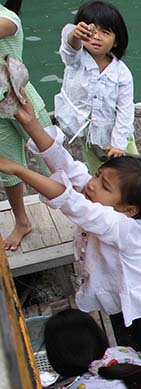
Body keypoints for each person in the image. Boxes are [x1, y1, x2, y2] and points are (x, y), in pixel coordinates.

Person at [0, 91, 141, 387]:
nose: (92, 185)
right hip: (131, 309)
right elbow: (65, 165)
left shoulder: (122, 226)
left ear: (129, 209)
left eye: (103, 185)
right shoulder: (104, 201)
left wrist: (19, 169)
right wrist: (31, 123)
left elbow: (72, 202)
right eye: (98, 176)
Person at [55, 1, 141, 229]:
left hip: (116, 137)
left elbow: (125, 111)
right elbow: (69, 45)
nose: (96, 37)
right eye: (91, 31)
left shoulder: (122, 73)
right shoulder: (76, 59)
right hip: (88, 135)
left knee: (135, 178)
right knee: (102, 175)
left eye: (105, 32)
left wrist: (118, 144)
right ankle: (108, 211)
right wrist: (75, 34)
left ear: (116, 40)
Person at [0, 0, 59, 250]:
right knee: (8, 169)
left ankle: (85, 216)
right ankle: (22, 221)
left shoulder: (8, 18)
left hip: (22, 102)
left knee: (53, 161)